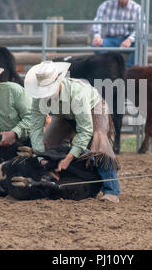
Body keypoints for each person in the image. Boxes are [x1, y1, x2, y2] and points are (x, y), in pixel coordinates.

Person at [25, 61, 121, 203]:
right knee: (48, 144)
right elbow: (35, 129)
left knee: (99, 143)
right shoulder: (38, 100)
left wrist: (69, 157)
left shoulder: (78, 94)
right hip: (64, 114)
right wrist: (42, 159)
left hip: (94, 108)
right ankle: (66, 177)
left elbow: (85, 130)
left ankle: (112, 191)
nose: (46, 94)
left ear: (58, 82)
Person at [92, 0, 141, 68]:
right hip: (110, 40)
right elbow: (97, 22)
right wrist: (97, 36)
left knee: (141, 43)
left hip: (128, 40)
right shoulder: (105, 6)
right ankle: (107, 68)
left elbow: (141, 28)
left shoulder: (137, 8)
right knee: (96, 44)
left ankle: (128, 70)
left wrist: (130, 39)